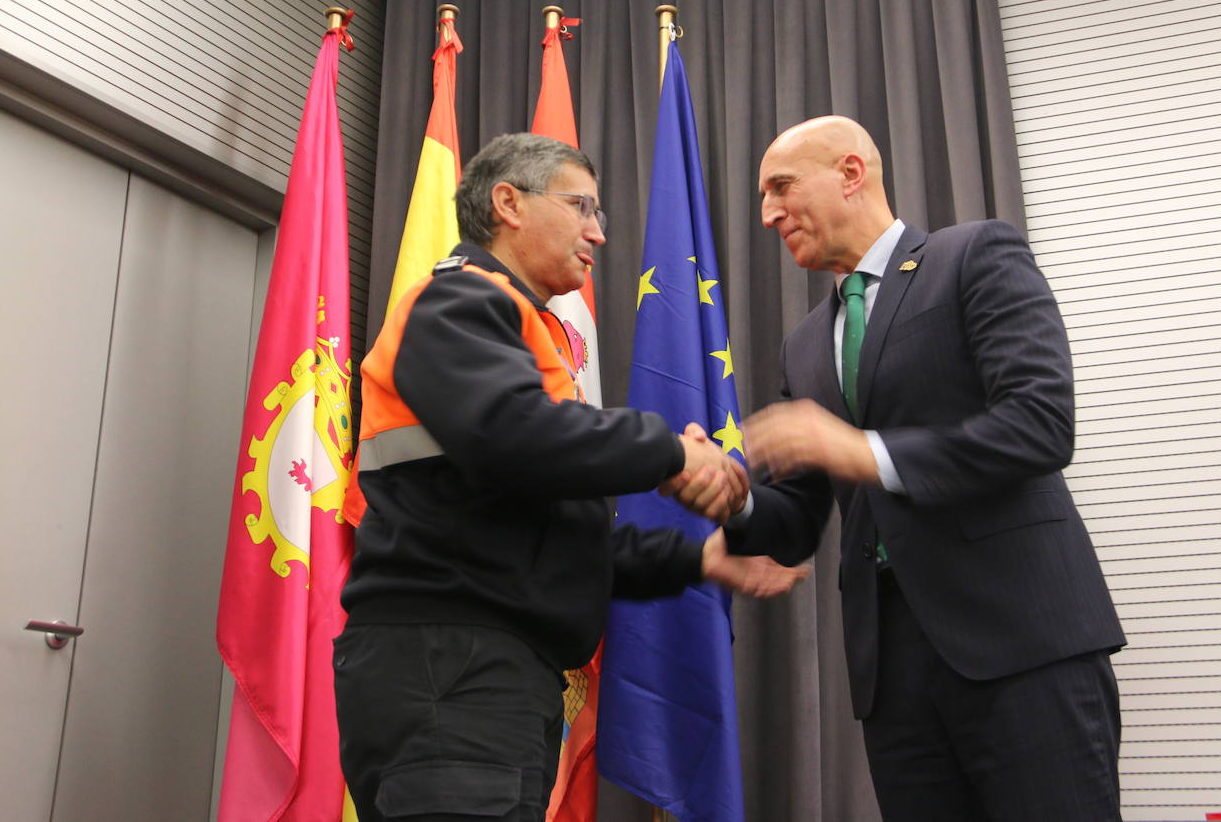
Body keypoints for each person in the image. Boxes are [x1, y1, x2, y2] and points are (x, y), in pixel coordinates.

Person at [334, 132, 806, 822]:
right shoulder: (459, 306)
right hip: (449, 665)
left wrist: (692, 557)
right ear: (508, 204)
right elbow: (517, 438)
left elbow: (541, 530)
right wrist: (671, 452)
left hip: (483, 669)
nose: (598, 233)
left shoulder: (523, 329)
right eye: (582, 207)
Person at [719, 115, 1126, 820]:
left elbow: (1040, 424)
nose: (768, 214)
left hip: (1021, 644)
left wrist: (866, 452)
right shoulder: (805, 345)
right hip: (894, 678)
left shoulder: (975, 256)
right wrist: (730, 497)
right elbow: (797, 522)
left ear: (851, 173)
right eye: (763, 197)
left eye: (781, 187)